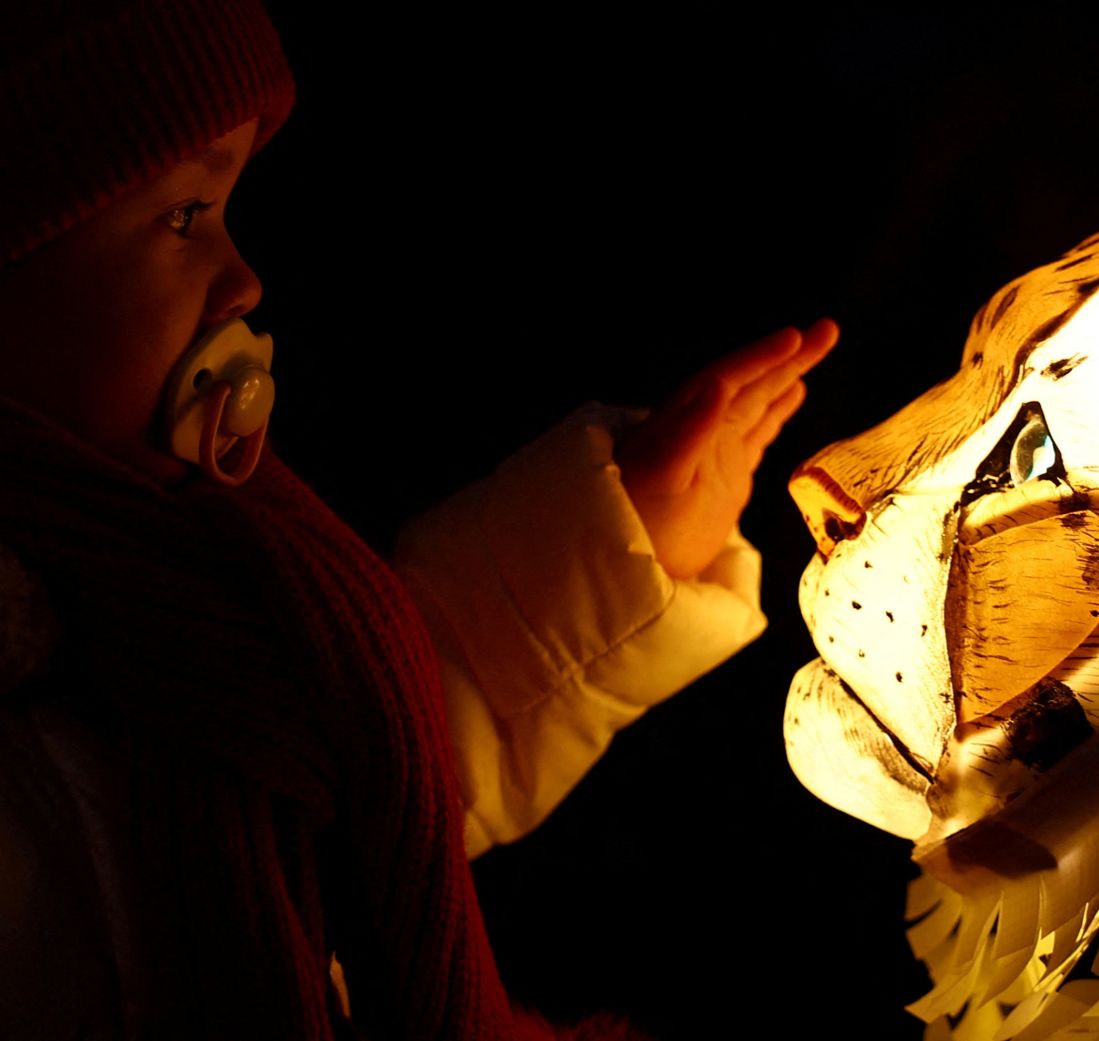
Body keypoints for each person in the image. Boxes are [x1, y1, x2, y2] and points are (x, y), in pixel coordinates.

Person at [0, 1, 835, 1037]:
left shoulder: (192, 590)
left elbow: (363, 775)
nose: (244, 278)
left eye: (226, 212)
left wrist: (624, 545)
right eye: (181, 218)